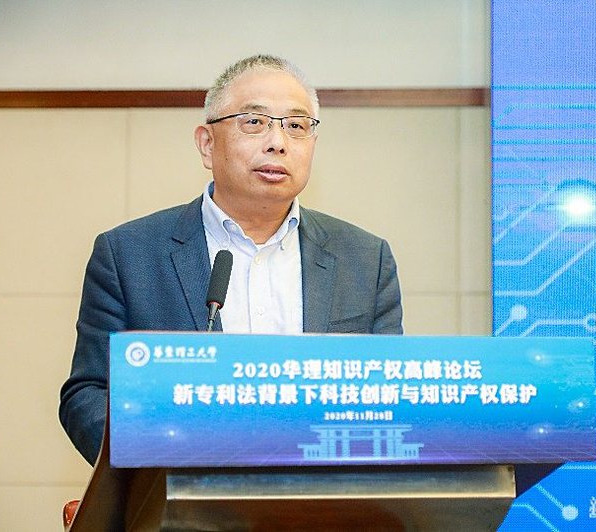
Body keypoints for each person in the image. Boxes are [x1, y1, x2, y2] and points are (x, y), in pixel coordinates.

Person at [59, 55, 403, 465]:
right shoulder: (128, 255)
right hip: (180, 493)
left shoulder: (364, 259)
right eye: (254, 122)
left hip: (323, 493)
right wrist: (163, 458)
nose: (278, 142)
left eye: (296, 126)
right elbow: (88, 395)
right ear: (207, 144)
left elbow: (390, 396)